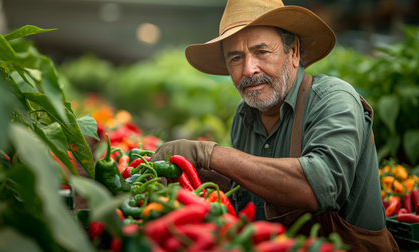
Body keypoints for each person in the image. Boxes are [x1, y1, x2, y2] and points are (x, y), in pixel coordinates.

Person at [150, 0, 399, 250]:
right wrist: (197, 173)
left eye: (261, 52)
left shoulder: (334, 99)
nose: (249, 69)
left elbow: (322, 185)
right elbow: (250, 191)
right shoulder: (245, 116)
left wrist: (209, 154)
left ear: (293, 53)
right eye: (236, 58)